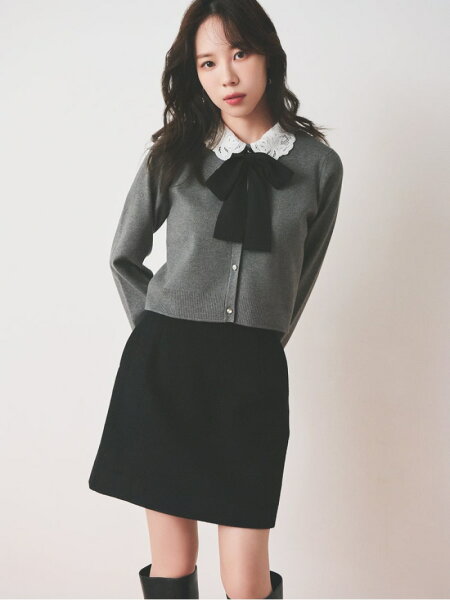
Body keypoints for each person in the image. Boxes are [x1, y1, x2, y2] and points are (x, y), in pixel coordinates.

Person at [88, 0, 344, 598]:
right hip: (166, 369)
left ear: (268, 56)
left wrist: (259, 337)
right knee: (172, 562)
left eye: (239, 53)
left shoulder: (318, 166)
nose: (226, 76)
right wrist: (156, 330)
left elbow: (301, 277)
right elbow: (123, 255)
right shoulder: (173, 156)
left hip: (252, 375)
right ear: (194, 72)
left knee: (246, 577)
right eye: (207, 62)